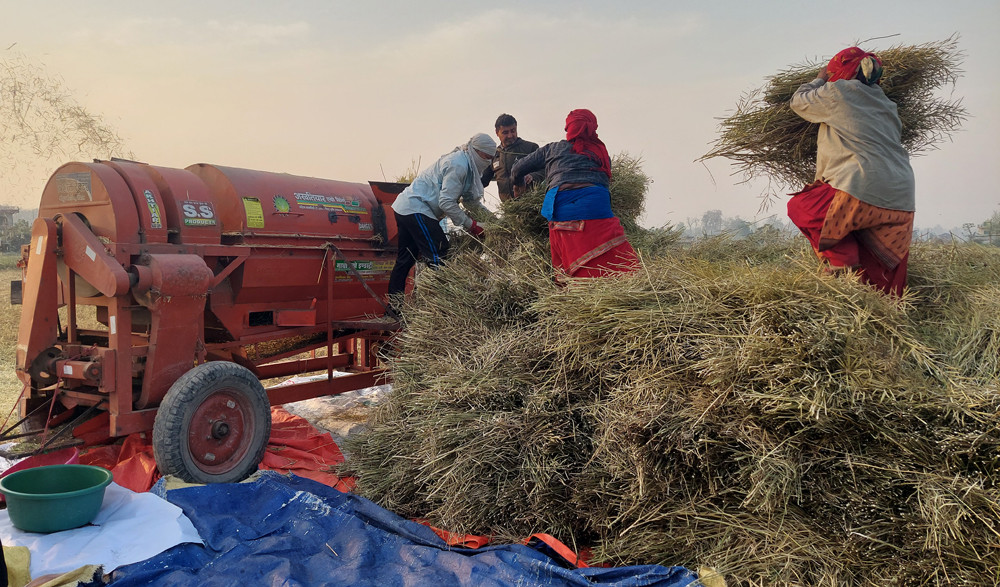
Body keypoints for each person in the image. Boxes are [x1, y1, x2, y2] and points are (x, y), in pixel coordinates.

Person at [787, 46, 915, 296]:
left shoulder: (838, 92)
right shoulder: (888, 104)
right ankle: (883, 315)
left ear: (840, 71)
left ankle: (842, 259)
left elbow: (798, 102)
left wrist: (819, 78)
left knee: (803, 208)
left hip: (861, 184)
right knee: (881, 277)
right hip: (902, 194)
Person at [510, 109, 639, 278]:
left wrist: (519, 187)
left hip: (561, 209)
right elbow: (606, 182)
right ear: (594, 129)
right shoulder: (601, 153)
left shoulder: (552, 149)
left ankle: (568, 287)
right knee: (621, 264)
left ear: (568, 129)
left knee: (564, 252)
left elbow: (516, 169)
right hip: (597, 207)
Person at [387, 133, 497, 312]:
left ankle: (394, 310)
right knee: (440, 254)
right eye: (487, 158)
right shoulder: (459, 165)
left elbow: (470, 201)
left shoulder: (468, 165)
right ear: (477, 152)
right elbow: (446, 202)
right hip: (417, 207)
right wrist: (472, 226)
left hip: (405, 207)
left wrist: (493, 221)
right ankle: (443, 312)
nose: (488, 162)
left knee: (405, 260)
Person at [481, 113, 543, 202]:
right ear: (497, 132)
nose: (510, 135)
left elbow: (546, 170)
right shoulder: (494, 154)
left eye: (513, 131)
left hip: (531, 204)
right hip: (508, 209)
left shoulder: (530, 148)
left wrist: (533, 176)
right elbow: (483, 180)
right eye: (505, 132)